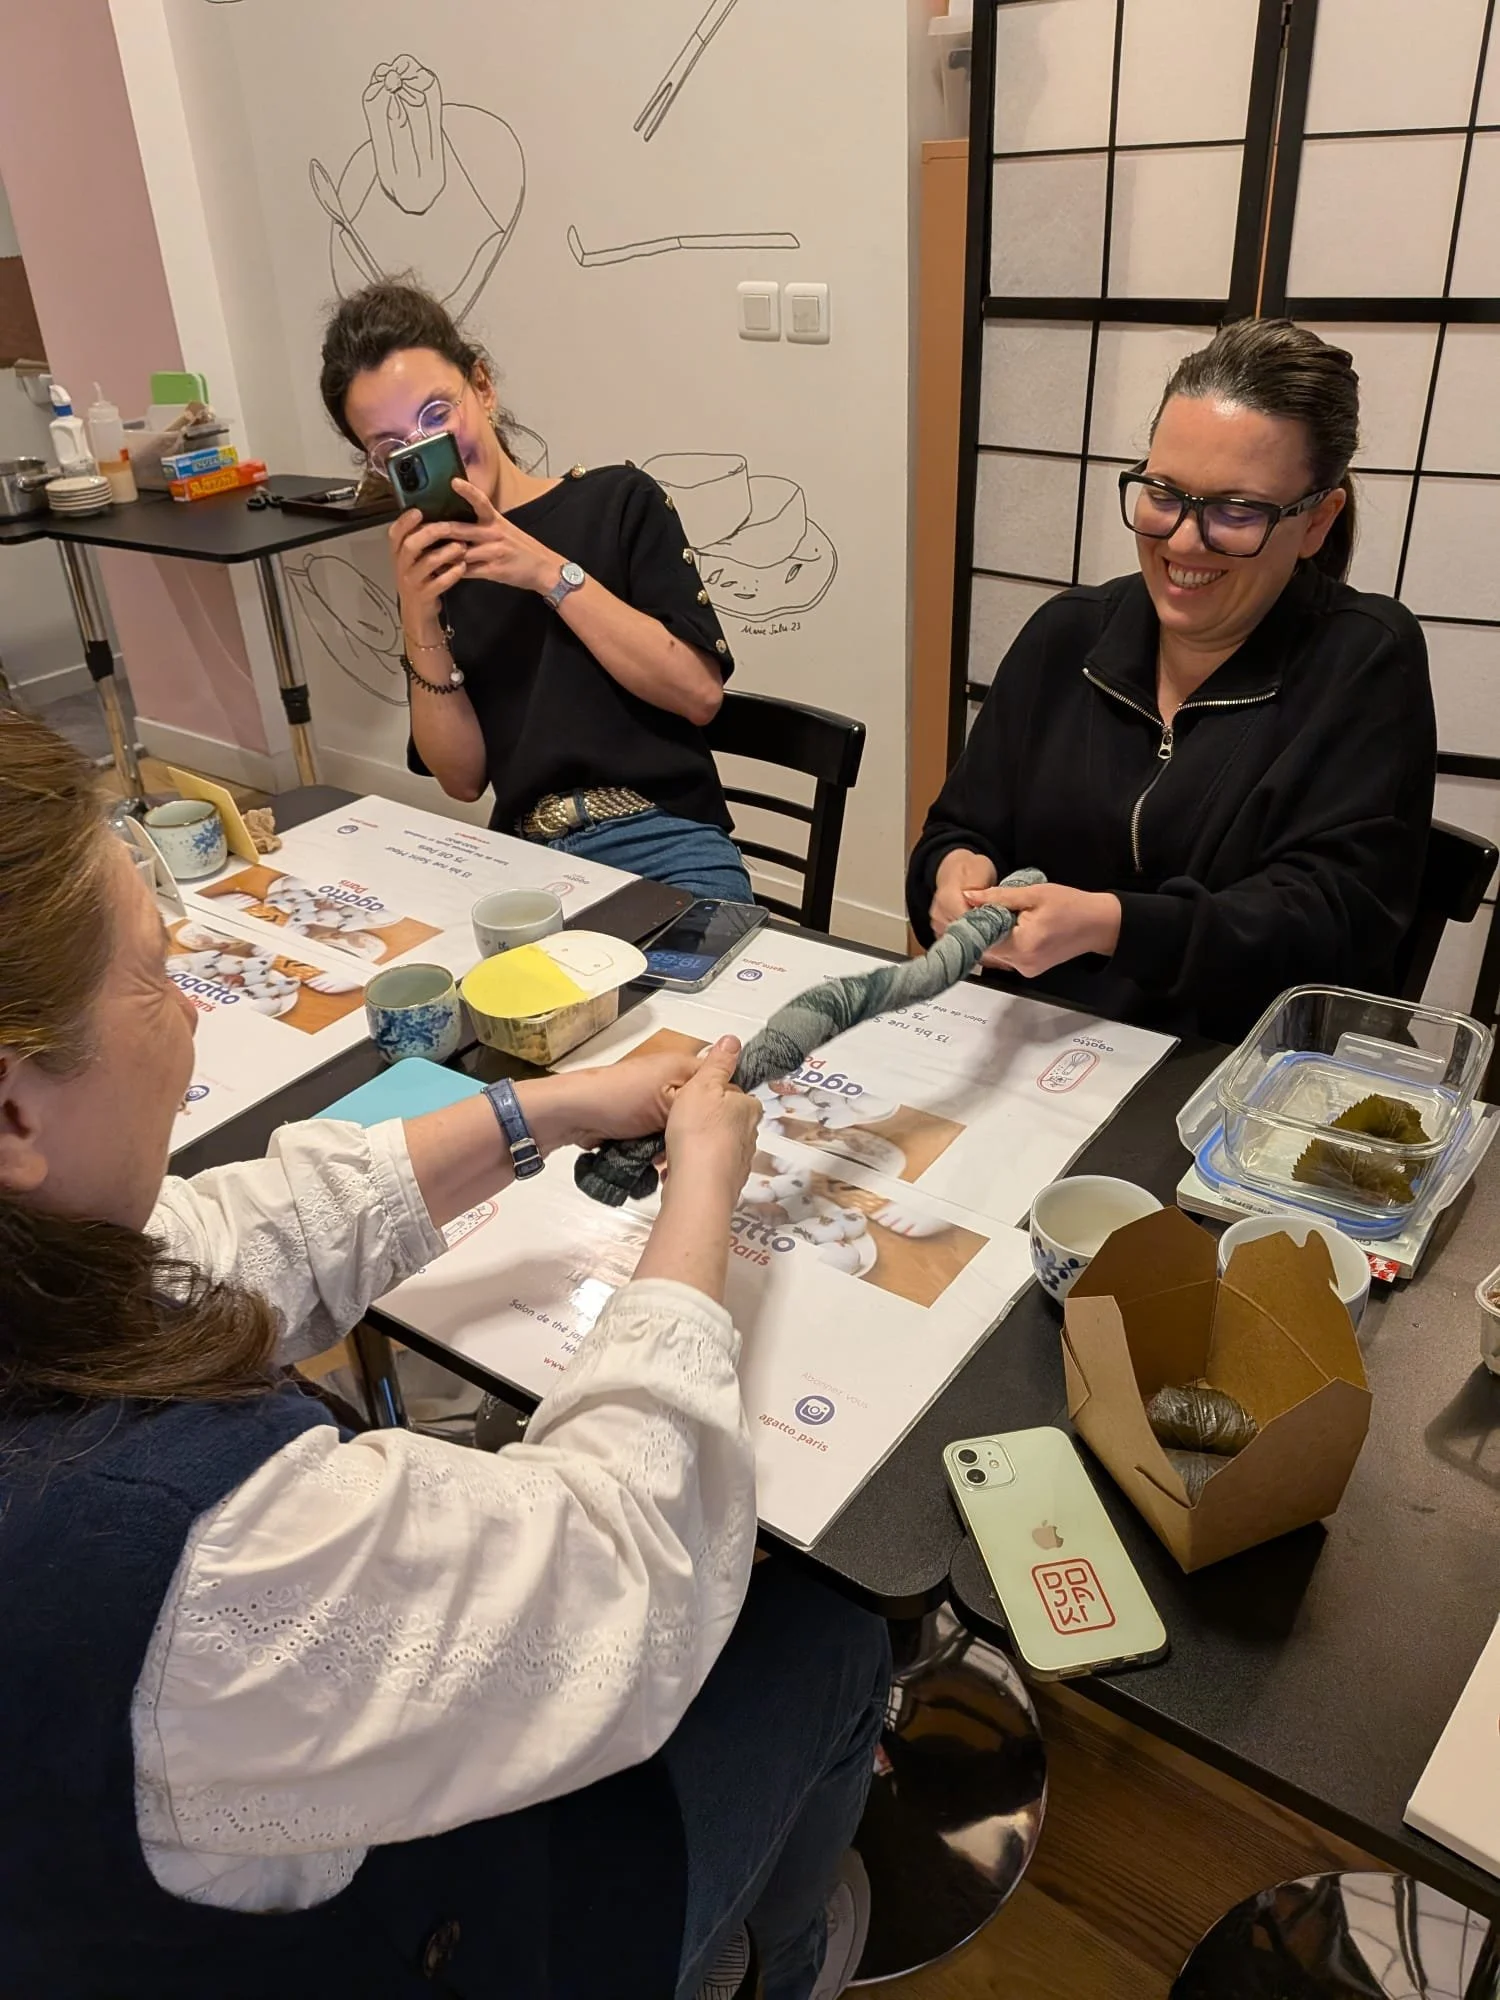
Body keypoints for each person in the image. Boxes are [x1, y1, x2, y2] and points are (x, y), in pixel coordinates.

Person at [0, 712, 887, 2000]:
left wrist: (552, 1106)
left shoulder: (44, 1280)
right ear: (16, 1109)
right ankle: (785, 1956)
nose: (188, 1003)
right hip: (428, 1941)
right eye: (151, 972)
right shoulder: (194, 1552)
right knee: (832, 1621)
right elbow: (627, 1564)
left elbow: (225, 1240)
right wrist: (702, 1189)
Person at [908, 319, 1436, 1044]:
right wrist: (950, 877)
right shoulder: (1068, 636)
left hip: (1242, 1071)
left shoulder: (1366, 660)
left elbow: (1330, 925)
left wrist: (1114, 927)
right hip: (1044, 1042)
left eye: (1236, 510)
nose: (1184, 540)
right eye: (1164, 492)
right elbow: (960, 828)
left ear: (1317, 521)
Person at [319, 280, 754, 904]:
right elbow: (462, 780)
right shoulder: (436, 572)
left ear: (484, 387)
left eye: (437, 416)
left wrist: (547, 572)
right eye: (391, 449)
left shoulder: (616, 501)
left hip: (663, 843)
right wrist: (418, 613)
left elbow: (698, 693)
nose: (427, 451)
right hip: (518, 859)